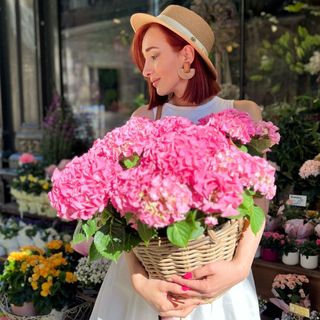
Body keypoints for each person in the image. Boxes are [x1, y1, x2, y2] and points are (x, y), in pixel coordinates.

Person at [90, 5, 267, 320]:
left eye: (154, 55)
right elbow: (119, 206)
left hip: (219, 281)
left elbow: (260, 195)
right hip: (146, 286)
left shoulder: (241, 113)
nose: (146, 69)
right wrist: (139, 281)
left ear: (187, 56)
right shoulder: (143, 118)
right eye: (144, 59)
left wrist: (239, 269)